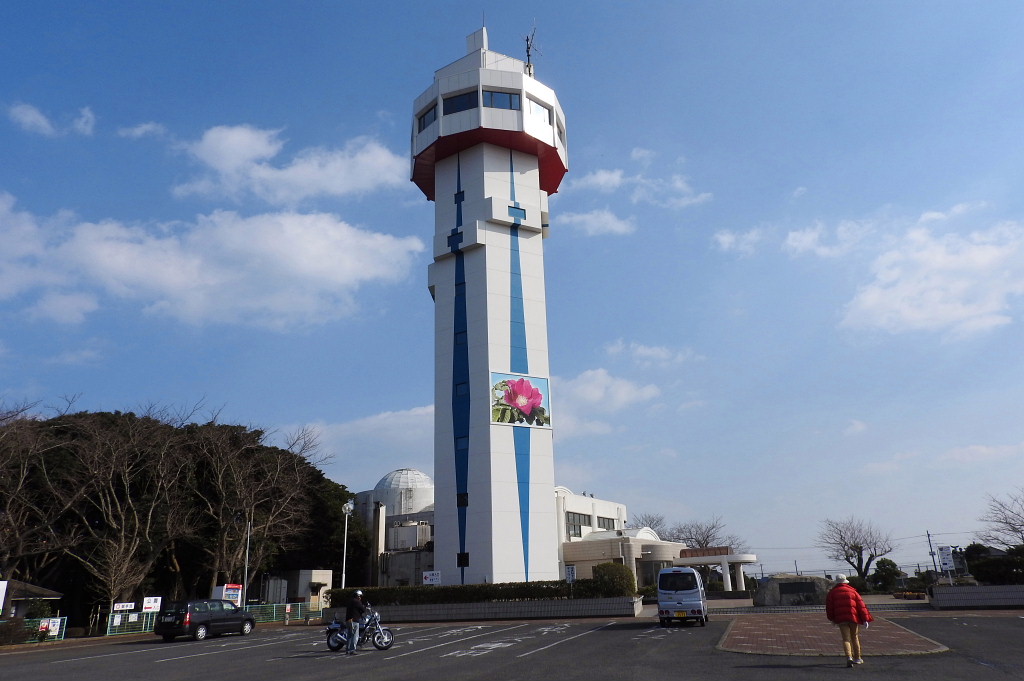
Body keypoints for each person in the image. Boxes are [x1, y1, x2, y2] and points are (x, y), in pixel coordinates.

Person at [825, 574, 873, 667]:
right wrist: (865, 619)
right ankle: (857, 658)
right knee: (855, 637)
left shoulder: (832, 593)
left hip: (841, 619)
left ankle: (849, 657)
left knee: (846, 639)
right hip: (853, 618)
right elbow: (861, 605)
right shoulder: (853, 591)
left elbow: (829, 608)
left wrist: (832, 618)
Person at [344, 589, 366, 655]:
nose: (360, 598)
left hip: (348, 620)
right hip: (354, 621)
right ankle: (352, 650)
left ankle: (347, 649)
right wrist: (364, 606)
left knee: (349, 635)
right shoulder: (357, 602)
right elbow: (363, 609)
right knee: (355, 635)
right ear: (357, 596)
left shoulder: (350, 601)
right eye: (359, 596)